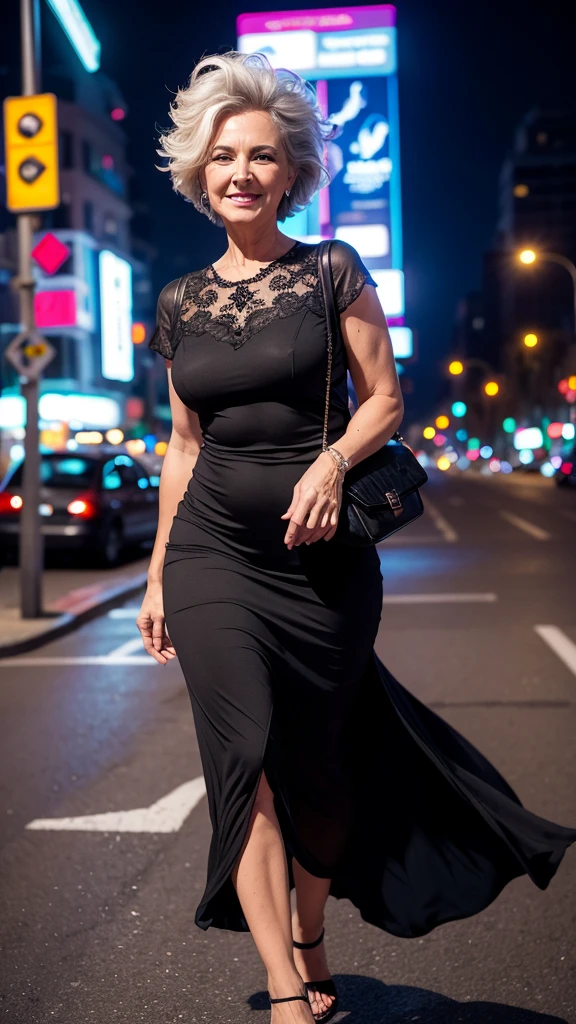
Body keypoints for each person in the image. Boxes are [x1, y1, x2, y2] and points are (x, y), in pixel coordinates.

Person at [138, 51, 576, 1024]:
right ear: (198, 175)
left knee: (321, 770)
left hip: (323, 565)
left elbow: (385, 397)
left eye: (260, 155)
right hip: (213, 555)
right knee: (242, 760)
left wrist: (331, 464)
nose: (241, 172)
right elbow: (182, 443)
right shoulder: (178, 302)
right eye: (223, 157)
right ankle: (291, 995)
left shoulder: (331, 268)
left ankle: (310, 930)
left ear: (290, 169)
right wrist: (160, 573)